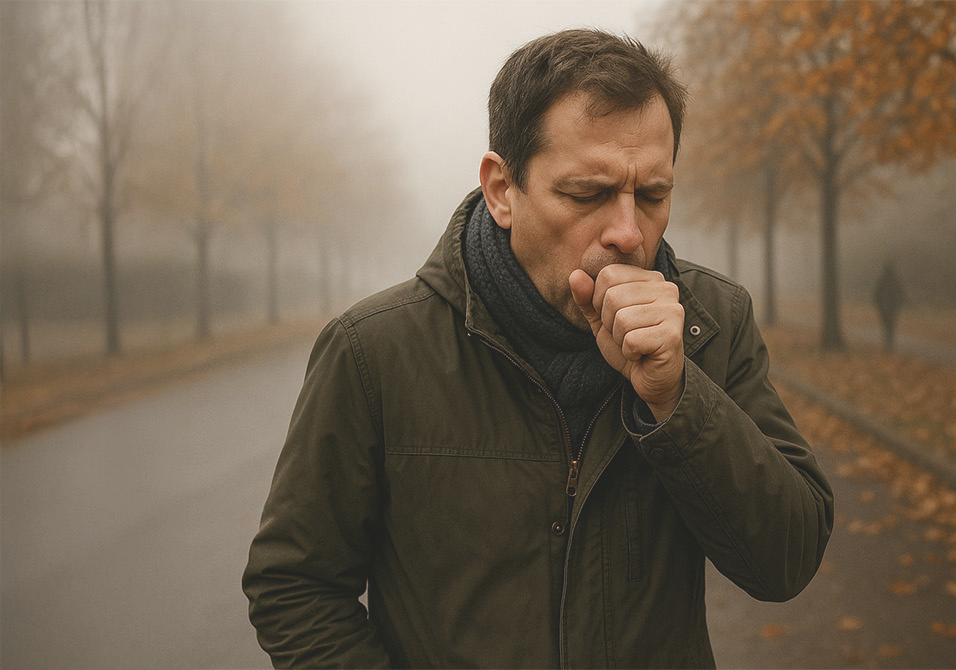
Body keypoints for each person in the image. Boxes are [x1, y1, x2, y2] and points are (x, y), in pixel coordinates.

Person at [242, 29, 833, 669]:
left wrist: (676, 397)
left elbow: (787, 561)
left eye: (654, 196)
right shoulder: (372, 352)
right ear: (502, 189)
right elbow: (295, 586)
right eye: (588, 194)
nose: (628, 233)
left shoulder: (711, 325)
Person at [873, 261, 905, 353]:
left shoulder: (882, 280)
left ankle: (888, 342)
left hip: (884, 307)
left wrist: (878, 305)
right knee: (891, 325)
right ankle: (890, 342)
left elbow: (876, 295)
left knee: (886, 324)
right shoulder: (895, 280)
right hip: (893, 307)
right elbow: (900, 293)